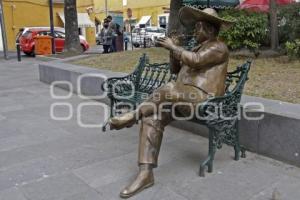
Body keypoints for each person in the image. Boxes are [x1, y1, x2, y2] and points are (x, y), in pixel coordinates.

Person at [108, 6, 234, 198]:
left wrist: (173, 47)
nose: (194, 30)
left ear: (209, 29)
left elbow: (197, 61)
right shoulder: (196, 47)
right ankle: (145, 174)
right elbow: (176, 70)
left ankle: (133, 115)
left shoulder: (218, 47)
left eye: (198, 27)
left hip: (203, 101)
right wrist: (172, 51)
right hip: (182, 99)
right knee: (152, 117)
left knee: (168, 87)